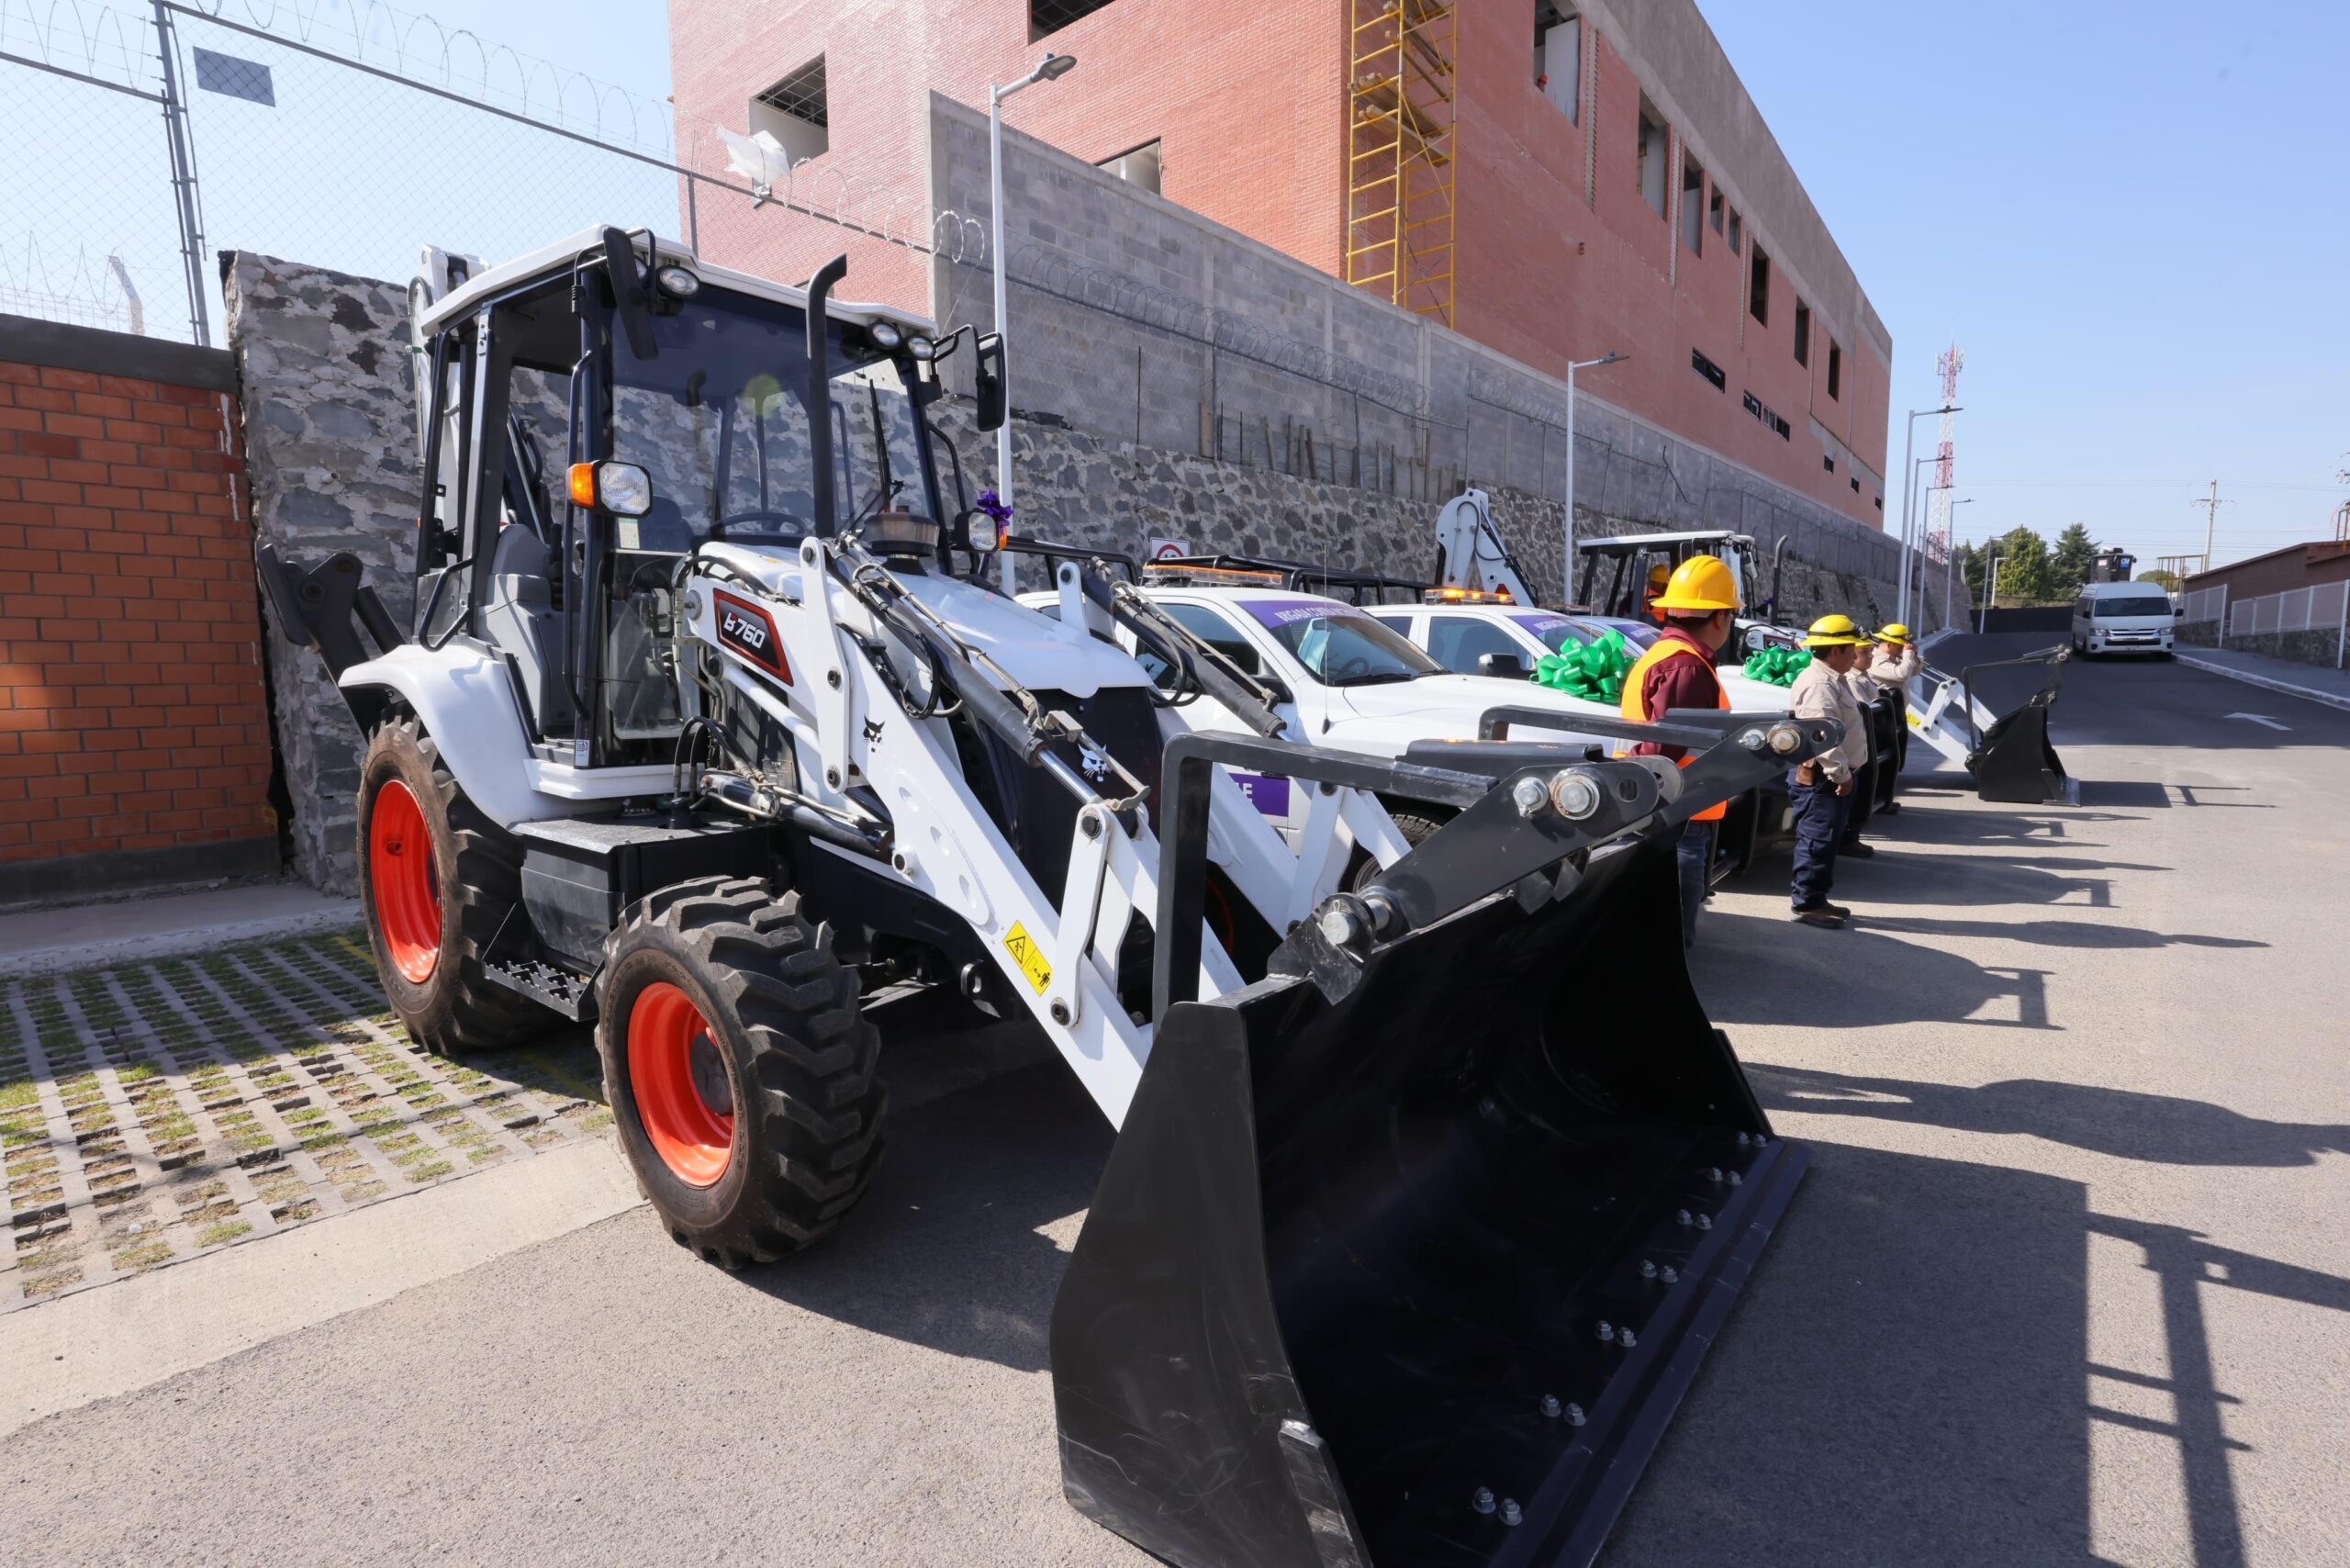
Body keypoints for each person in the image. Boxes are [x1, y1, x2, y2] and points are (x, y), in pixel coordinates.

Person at [1619, 554, 1738, 947]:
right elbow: (1664, 749)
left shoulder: (1667, 656)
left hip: (1672, 806)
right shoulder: (1685, 668)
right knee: (1673, 908)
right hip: (1679, 809)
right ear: (1719, 618)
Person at [1785, 614, 1872, 928]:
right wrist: (1841, 775)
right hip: (1825, 778)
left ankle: (1816, 898)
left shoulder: (1833, 678)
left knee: (1826, 839)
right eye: (1851, 648)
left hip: (1833, 777)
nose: (1855, 653)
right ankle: (1807, 904)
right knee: (1816, 839)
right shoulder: (1819, 684)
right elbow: (1821, 737)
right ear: (1835, 650)